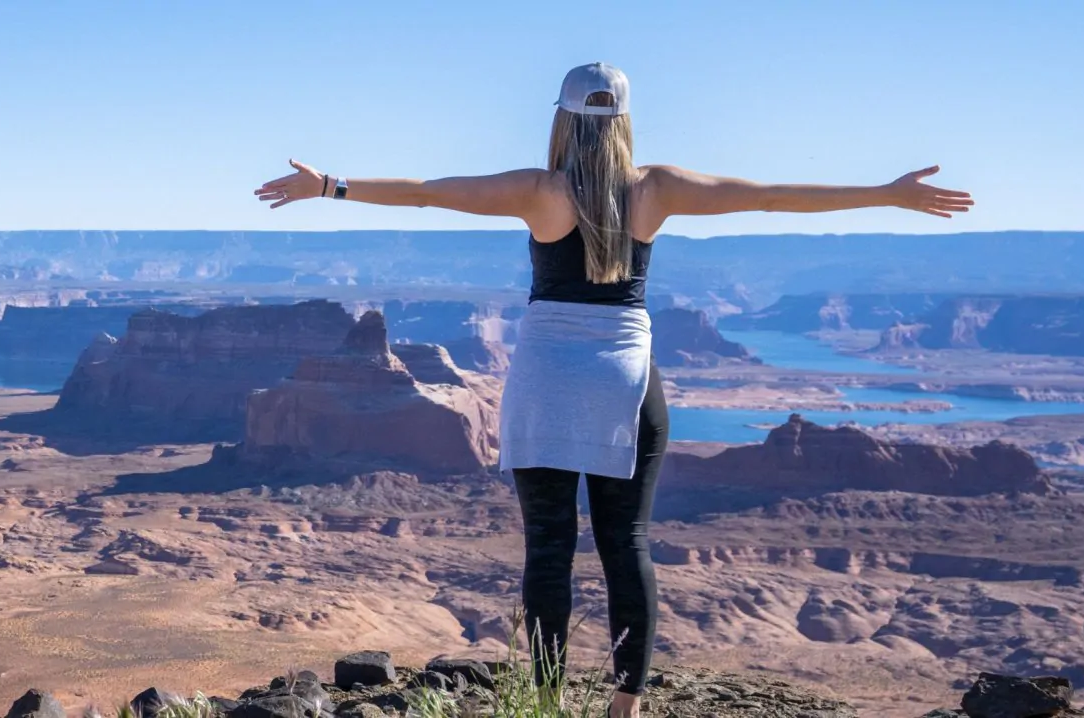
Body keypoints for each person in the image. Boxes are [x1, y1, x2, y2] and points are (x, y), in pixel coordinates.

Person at [251, 62, 971, 718]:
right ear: (624, 122)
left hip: (545, 380)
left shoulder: (539, 191)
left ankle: (546, 699)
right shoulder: (655, 189)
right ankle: (623, 709)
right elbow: (771, 197)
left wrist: (330, 185)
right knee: (626, 542)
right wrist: (888, 194)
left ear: (562, 120)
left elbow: (424, 196)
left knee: (549, 548)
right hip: (626, 378)